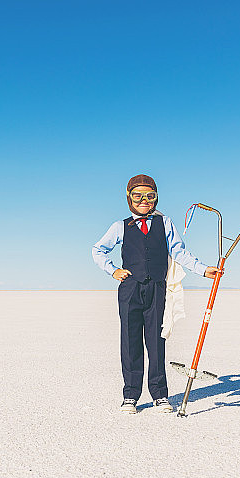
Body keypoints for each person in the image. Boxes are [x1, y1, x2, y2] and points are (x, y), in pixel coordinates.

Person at [92, 174, 218, 414]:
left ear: (156, 198)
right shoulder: (120, 226)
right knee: (130, 343)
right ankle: (130, 396)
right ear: (129, 198)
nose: (144, 200)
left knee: (156, 341)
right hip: (130, 289)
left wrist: (203, 270)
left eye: (150, 196)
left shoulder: (165, 223)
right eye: (138, 196)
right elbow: (98, 250)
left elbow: (179, 252)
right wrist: (113, 270)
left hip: (157, 290)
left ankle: (160, 395)